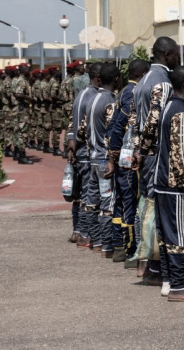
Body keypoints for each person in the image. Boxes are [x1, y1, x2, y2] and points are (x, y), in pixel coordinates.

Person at [130, 36, 180, 290]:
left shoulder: (142, 82)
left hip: (146, 154)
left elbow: (134, 120)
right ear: (168, 55)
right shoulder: (162, 82)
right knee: (157, 209)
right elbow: (155, 121)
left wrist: (138, 150)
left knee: (146, 206)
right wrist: (148, 149)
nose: (180, 58)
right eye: (177, 54)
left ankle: (147, 263)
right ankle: (155, 266)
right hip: (158, 154)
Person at [147, 65, 184, 302]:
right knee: (178, 236)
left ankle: (168, 280)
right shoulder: (180, 111)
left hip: (162, 183)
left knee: (167, 235)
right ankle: (178, 285)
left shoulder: (169, 105)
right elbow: (179, 153)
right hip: (173, 184)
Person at [105, 59, 149, 265]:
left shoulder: (123, 92)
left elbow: (111, 124)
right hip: (128, 157)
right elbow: (118, 125)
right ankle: (129, 251)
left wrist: (111, 154)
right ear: (143, 74)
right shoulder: (133, 93)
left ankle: (117, 246)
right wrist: (114, 152)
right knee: (130, 203)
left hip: (121, 156)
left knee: (121, 203)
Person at [78, 63, 120, 257]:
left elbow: (81, 130)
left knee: (91, 202)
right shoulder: (110, 102)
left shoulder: (91, 100)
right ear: (117, 79)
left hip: (92, 158)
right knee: (106, 205)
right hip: (105, 161)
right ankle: (106, 246)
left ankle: (94, 241)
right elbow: (112, 133)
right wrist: (113, 157)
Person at [68, 62, 103, 247]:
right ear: (98, 78)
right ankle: (83, 233)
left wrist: (71, 145)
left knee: (80, 194)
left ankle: (77, 230)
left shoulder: (81, 94)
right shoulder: (93, 96)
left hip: (79, 150)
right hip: (86, 151)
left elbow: (72, 123)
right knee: (87, 194)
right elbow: (83, 127)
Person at [13, 63, 35, 164]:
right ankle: (22, 156)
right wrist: (30, 98)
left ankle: (17, 154)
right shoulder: (22, 81)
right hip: (22, 109)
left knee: (18, 132)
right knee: (23, 132)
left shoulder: (20, 80)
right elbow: (18, 94)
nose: (28, 70)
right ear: (21, 69)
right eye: (26, 68)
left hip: (19, 109)